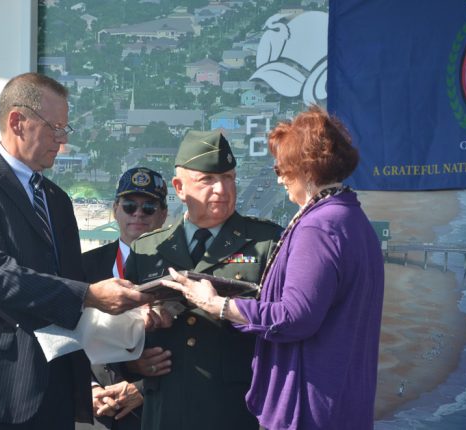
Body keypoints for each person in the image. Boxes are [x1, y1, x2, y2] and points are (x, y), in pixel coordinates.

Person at [0, 72, 153, 430]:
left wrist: (133, 323)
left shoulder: (57, 200)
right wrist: (91, 295)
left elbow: (66, 290)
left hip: (53, 391)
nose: (62, 142)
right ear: (17, 122)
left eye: (66, 130)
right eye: (56, 129)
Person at [162, 106, 385, 429]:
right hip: (342, 401)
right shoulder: (351, 219)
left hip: (309, 407)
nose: (279, 178)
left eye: (283, 168)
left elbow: (294, 318)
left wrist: (217, 304)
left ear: (306, 170)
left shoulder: (318, 227)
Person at [123, 130, 283, 430]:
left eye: (229, 177)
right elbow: (119, 328)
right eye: (208, 180)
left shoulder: (265, 242)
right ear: (179, 187)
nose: (222, 189)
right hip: (164, 410)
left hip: (233, 410)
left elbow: (281, 320)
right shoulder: (146, 249)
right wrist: (133, 358)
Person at [78, 166, 172, 430]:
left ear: (163, 214)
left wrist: (142, 387)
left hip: (156, 410)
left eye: (149, 208)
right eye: (130, 206)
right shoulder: (83, 266)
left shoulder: (179, 270)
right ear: (115, 210)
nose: (138, 214)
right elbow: (66, 334)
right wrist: (89, 388)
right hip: (97, 411)